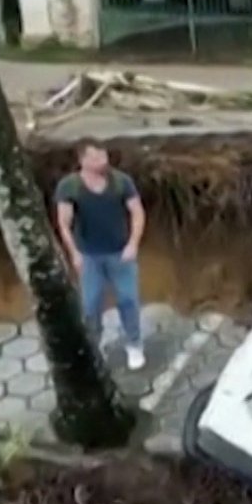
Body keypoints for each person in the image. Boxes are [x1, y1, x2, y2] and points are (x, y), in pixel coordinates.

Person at [55, 139, 148, 370]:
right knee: (90, 305)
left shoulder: (121, 181)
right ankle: (94, 348)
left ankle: (134, 344)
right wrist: (74, 254)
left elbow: (137, 212)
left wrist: (133, 244)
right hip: (90, 256)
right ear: (82, 160)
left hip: (120, 253)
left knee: (128, 299)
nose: (102, 161)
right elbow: (64, 223)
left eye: (103, 156)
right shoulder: (70, 187)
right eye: (95, 157)